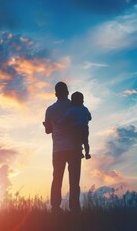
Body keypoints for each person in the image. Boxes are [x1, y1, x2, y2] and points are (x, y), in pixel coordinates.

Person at [43, 82, 82, 212]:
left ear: (55, 94)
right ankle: (74, 208)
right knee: (74, 181)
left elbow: (48, 130)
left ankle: (55, 208)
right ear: (67, 92)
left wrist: (47, 125)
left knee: (57, 179)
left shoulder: (50, 109)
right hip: (74, 148)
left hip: (58, 150)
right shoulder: (75, 106)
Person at [60, 91, 92, 160]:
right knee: (86, 141)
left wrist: (58, 122)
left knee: (76, 141)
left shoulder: (71, 110)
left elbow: (64, 119)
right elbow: (90, 117)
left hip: (75, 129)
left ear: (72, 102)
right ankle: (87, 153)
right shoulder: (85, 109)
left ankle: (80, 153)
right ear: (83, 101)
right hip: (84, 127)